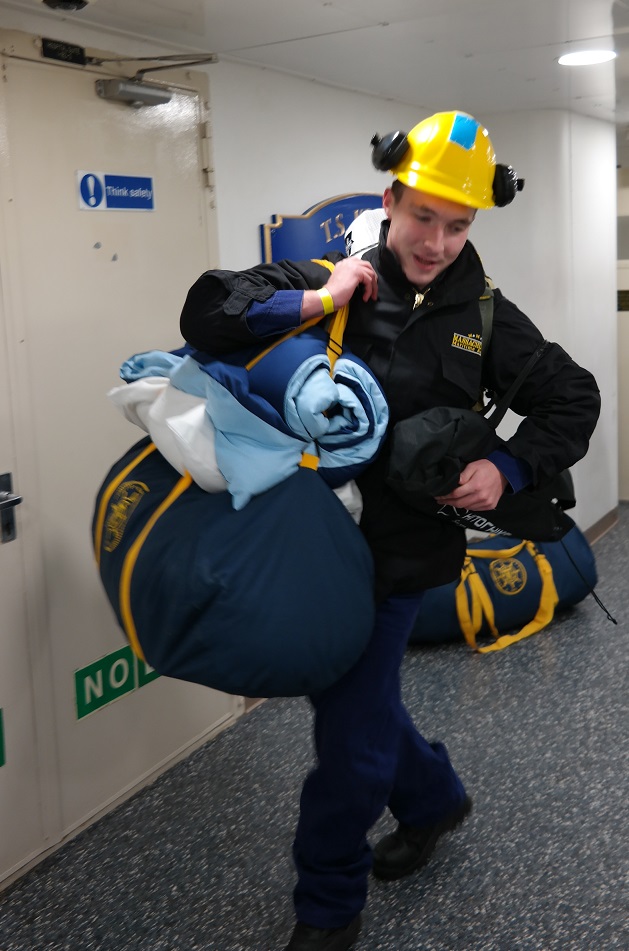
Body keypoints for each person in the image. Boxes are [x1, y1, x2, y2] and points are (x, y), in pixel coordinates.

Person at [179, 111, 601, 951]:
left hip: (401, 560)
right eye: (422, 218)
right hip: (312, 547)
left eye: (457, 225)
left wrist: (507, 469)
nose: (437, 242)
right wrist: (315, 297)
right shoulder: (335, 276)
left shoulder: (484, 315)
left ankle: (327, 906)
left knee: (346, 734)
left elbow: (573, 396)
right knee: (358, 708)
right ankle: (436, 796)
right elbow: (207, 314)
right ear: (390, 200)